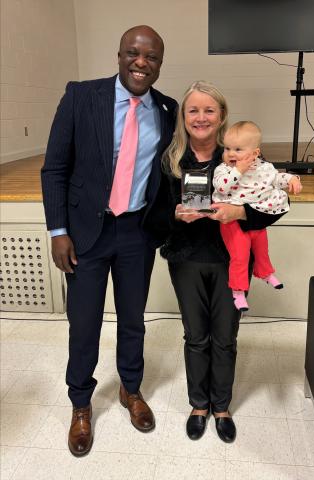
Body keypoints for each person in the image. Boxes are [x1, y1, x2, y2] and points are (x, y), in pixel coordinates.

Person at [41, 25, 177, 456]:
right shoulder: (82, 97)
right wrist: (58, 231)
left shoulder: (167, 109)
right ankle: (80, 403)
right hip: (86, 235)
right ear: (120, 55)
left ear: (159, 63)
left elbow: (173, 169)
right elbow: (55, 169)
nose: (142, 62)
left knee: (134, 319)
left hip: (137, 232)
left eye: (151, 56)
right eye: (134, 54)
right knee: (84, 325)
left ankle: (130, 390)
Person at [160, 81, 288, 443]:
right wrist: (173, 214)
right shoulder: (169, 160)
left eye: (209, 110)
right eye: (193, 110)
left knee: (225, 338)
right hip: (185, 258)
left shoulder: (240, 156)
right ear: (183, 118)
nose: (201, 117)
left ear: (221, 117)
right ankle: (199, 404)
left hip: (228, 261)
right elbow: (152, 215)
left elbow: (275, 207)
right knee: (196, 337)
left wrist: (240, 212)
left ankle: (222, 406)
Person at [212, 121, 302, 311]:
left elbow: (277, 177)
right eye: (227, 148)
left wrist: (292, 179)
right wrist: (238, 170)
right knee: (240, 255)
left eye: (238, 149)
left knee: (261, 249)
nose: (230, 154)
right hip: (232, 222)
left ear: (255, 153)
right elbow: (221, 186)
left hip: (255, 217)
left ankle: (265, 273)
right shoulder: (224, 169)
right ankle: (238, 292)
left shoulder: (264, 168)